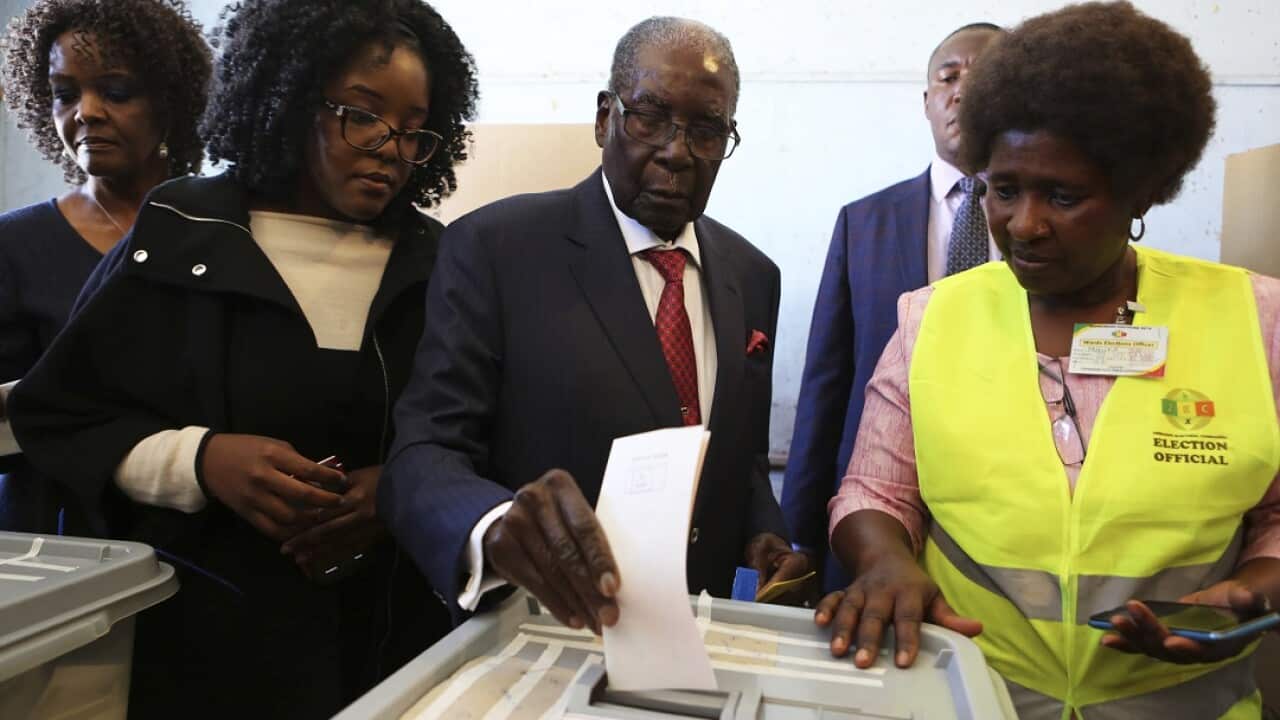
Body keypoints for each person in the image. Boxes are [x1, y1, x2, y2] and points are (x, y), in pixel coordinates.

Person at [9, 0, 478, 717]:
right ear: (290, 100)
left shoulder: (436, 263)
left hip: (386, 643)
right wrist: (202, 460)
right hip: (204, 642)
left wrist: (398, 488)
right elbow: (65, 417)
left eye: (414, 133)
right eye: (362, 114)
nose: (389, 146)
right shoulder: (178, 232)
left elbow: (473, 432)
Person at [816, 3, 1280, 718]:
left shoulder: (1255, 320)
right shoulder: (931, 317)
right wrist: (885, 561)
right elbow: (877, 491)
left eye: (1063, 196)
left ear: (1143, 189)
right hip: (973, 699)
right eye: (1005, 189)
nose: (1023, 225)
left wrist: (1257, 586)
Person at [381, 16, 810, 634]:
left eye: (707, 130)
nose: (676, 151)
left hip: (702, 638)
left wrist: (765, 534)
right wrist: (494, 526)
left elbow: (738, 462)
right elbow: (425, 452)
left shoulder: (754, 275)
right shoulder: (498, 248)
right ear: (606, 117)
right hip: (546, 630)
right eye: (650, 116)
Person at [782, 22, 1002, 592]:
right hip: (870, 512)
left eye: (982, 76)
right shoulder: (865, 222)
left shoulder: (1054, 226)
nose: (960, 91)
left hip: (1000, 508)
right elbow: (827, 382)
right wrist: (799, 534)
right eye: (946, 77)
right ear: (927, 102)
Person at [0, 0, 210, 534]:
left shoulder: (224, 230)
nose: (86, 111)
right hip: (68, 540)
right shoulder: (14, 244)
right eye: (65, 94)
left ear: (172, 101)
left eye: (116, 92)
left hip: (207, 531)